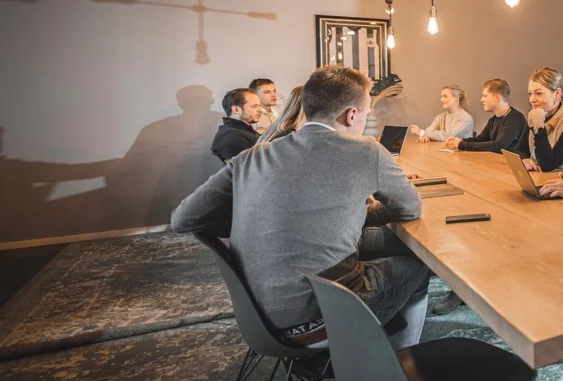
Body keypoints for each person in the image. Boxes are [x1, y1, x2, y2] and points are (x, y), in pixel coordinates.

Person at [172, 65, 431, 345]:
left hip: (257, 315)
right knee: (417, 268)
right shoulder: (366, 150)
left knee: (379, 244)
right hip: (321, 319)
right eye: (366, 113)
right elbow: (410, 209)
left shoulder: (252, 157)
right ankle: (399, 364)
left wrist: (262, 221)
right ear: (352, 115)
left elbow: (181, 220)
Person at [444, 79, 527, 153]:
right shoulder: (493, 120)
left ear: (497, 97)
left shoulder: (515, 118)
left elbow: (500, 146)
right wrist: (460, 141)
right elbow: (481, 139)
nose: (481, 99)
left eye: (485, 96)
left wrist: (462, 145)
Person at [211, 88, 261, 162]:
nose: (260, 110)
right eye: (254, 106)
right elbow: (248, 168)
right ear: (236, 110)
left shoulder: (243, 130)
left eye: (259, 106)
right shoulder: (231, 136)